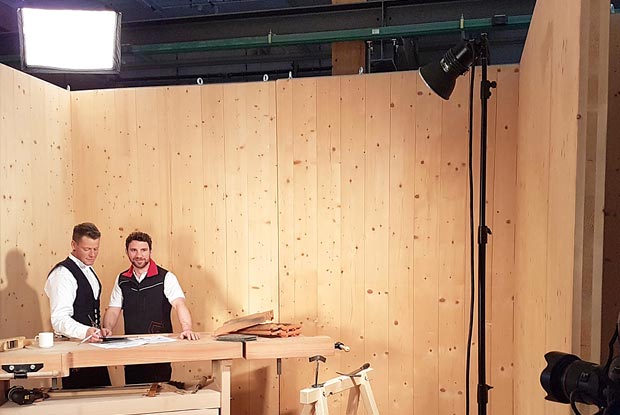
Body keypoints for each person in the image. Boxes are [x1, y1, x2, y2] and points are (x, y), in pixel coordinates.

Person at [103, 231, 199, 385]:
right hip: (132, 350)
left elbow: (179, 304)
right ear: (127, 252)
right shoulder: (122, 280)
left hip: (160, 349)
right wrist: (107, 329)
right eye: (133, 250)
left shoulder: (166, 277)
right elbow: (113, 309)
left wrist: (187, 328)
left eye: (143, 250)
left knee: (160, 393)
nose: (139, 255)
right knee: (134, 394)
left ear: (150, 251)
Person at [45, 222, 112, 389]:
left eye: (96, 249)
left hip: (93, 349)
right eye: (87, 249)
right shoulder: (62, 275)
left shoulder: (88, 269)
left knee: (103, 397)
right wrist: (85, 331)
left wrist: (98, 330)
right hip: (75, 350)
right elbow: (59, 319)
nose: (92, 254)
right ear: (74, 245)